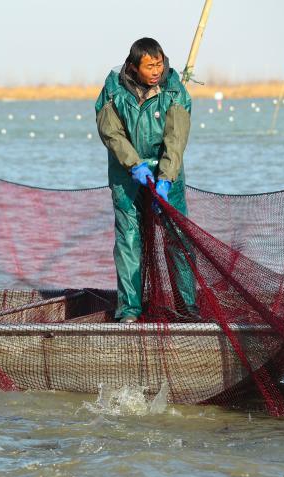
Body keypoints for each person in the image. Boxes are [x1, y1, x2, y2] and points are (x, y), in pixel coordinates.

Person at [95, 37, 198, 323]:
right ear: (133, 67)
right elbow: (111, 133)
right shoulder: (113, 90)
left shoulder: (175, 92)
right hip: (127, 174)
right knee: (129, 239)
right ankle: (129, 309)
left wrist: (164, 180)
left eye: (159, 65)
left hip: (166, 174)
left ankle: (187, 307)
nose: (156, 71)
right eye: (149, 66)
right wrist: (134, 164)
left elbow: (175, 141)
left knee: (178, 239)